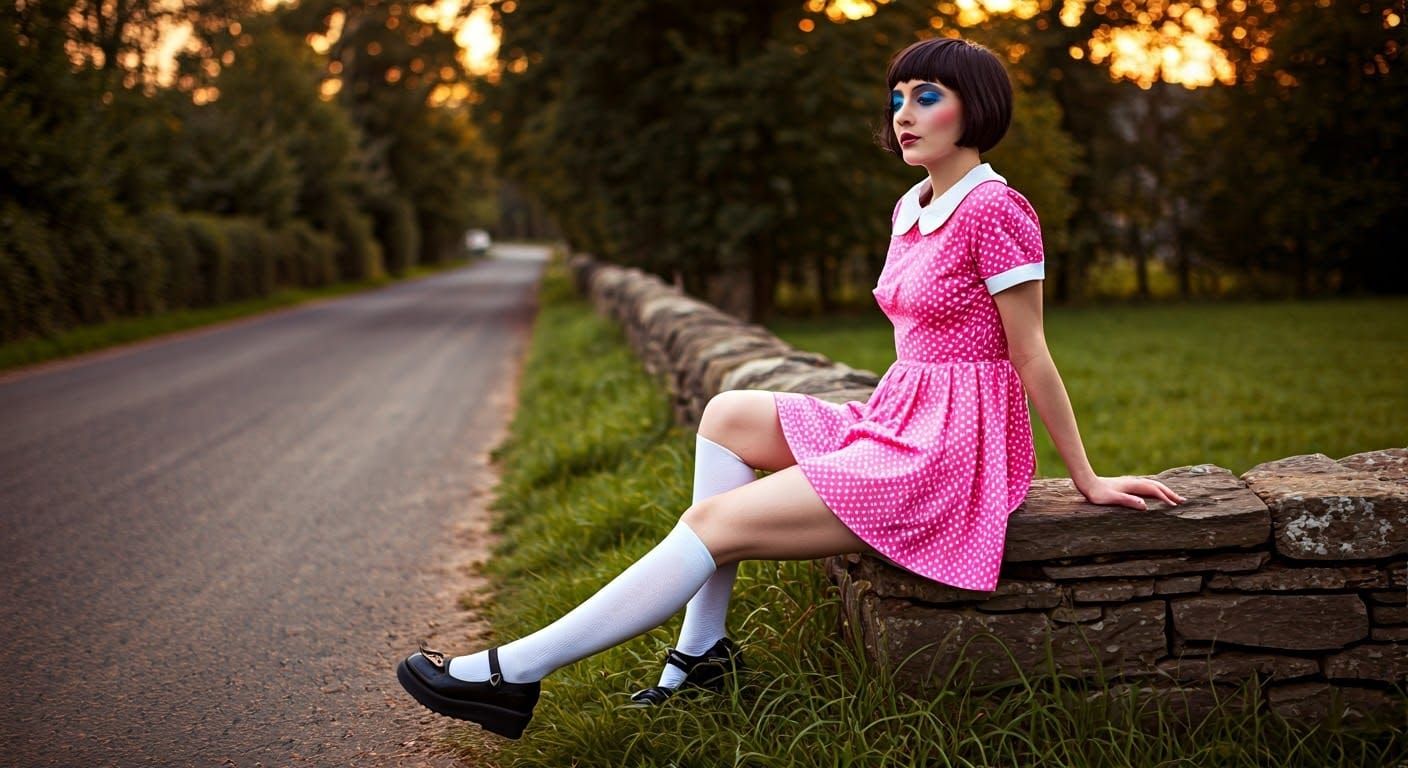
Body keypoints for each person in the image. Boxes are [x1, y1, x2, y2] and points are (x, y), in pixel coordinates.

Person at [395, 36, 1186, 740]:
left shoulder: (998, 209)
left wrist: (1084, 476)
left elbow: (1032, 352)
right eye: (897, 98)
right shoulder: (912, 206)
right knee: (728, 411)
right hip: (900, 412)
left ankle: (514, 672)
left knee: (715, 521)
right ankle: (703, 656)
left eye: (926, 97)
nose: (903, 114)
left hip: (952, 449)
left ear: (973, 108)